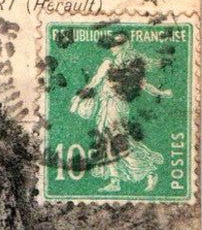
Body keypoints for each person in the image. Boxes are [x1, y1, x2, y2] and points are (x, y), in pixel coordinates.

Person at [70, 31, 171, 192]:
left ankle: (149, 171)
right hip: (105, 106)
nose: (113, 48)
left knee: (118, 140)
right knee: (107, 141)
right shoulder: (108, 64)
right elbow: (94, 82)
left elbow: (144, 85)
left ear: (125, 46)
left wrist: (161, 93)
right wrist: (78, 98)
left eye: (116, 45)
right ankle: (115, 180)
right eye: (112, 46)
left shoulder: (131, 67)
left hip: (118, 107)